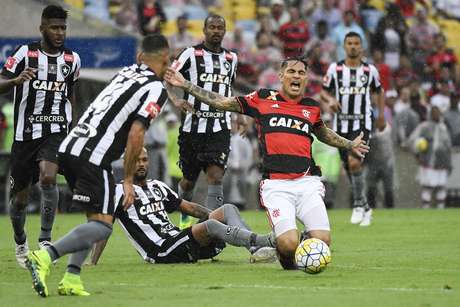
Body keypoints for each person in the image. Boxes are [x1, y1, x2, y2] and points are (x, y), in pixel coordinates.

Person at [164, 57, 369, 270]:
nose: (296, 76)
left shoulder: (311, 107)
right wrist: (186, 84)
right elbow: (221, 102)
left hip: (307, 182)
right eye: (291, 71)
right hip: (277, 186)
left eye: (301, 73)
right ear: (281, 76)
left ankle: (301, 246)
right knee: (289, 245)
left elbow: (323, 133)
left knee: (322, 241)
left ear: (306, 78)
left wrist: (348, 144)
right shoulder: (262, 98)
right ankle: (286, 251)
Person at [24, 34, 170, 297]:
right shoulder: (156, 89)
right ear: (165, 59)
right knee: (103, 225)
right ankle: (45, 255)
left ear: (140, 57)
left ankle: (71, 279)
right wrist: (127, 180)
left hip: (70, 147)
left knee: (94, 218)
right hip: (93, 156)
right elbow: (137, 134)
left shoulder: (128, 72)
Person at [88, 148, 275, 265]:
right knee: (211, 226)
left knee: (227, 209)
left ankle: (255, 250)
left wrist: (220, 220)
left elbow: (190, 208)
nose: (141, 164)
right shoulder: (117, 191)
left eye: (144, 160)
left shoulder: (158, 185)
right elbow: (104, 227)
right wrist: (92, 261)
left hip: (178, 239)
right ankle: (265, 241)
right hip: (160, 250)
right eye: (136, 160)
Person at [0, 5, 81, 268]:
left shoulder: (72, 60)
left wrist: (76, 126)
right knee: (20, 199)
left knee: (48, 178)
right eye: (54, 27)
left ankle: (45, 241)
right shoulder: (25, 53)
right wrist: (14, 82)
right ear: (42, 28)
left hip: (56, 131)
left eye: (63, 28)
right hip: (25, 136)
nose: (59, 33)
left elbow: (71, 95)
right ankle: (21, 242)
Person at [169, 14, 242, 229]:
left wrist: (238, 114)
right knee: (188, 181)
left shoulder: (232, 58)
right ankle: (184, 219)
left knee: (216, 176)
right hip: (193, 128)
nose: (216, 31)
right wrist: (175, 99)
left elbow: (229, 90)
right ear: (204, 29)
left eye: (220, 27)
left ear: (225, 31)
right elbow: (167, 75)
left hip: (220, 127)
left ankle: (213, 226)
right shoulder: (191, 54)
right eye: (212, 27)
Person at [321, 31, 385, 226]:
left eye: (356, 43)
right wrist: (330, 99)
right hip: (341, 125)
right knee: (349, 166)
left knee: (355, 163)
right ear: (344, 46)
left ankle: (358, 205)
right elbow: (323, 92)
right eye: (349, 43)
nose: (353, 46)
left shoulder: (370, 70)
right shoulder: (335, 69)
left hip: (362, 123)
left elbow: (379, 91)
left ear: (361, 46)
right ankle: (365, 205)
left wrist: (381, 115)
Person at [408, 106, 452, 209]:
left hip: (442, 163)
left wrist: (449, 162)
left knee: (441, 187)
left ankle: (441, 209)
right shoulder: (424, 126)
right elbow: (412, 140)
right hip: (428, 162)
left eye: (438, 113)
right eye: (434, 113)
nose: (436, 115)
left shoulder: (443, 127)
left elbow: (448, 145)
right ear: (430, 114)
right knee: (427, 187)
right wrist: (417, 154)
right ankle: (425, 209)